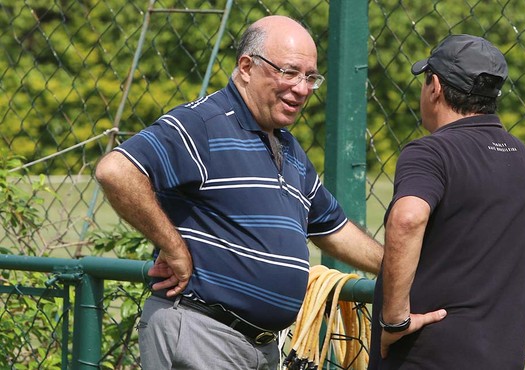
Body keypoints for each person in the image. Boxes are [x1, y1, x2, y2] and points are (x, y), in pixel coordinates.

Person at [95, 15, 383, 370]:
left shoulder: (289, 150)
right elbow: (116, 171)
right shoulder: (204, 123)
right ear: (247, 66)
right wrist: (174, 247)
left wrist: (398, 267)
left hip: (259, 348)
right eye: (289, 72)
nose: (303, 88)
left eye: (310, 77)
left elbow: (332, 228)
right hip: (203, 333)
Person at [367, 34, 525, 369]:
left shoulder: (430, 151)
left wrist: (395, 319)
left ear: (434, 86)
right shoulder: (524, 160)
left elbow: (407, 219)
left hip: (422, 358)